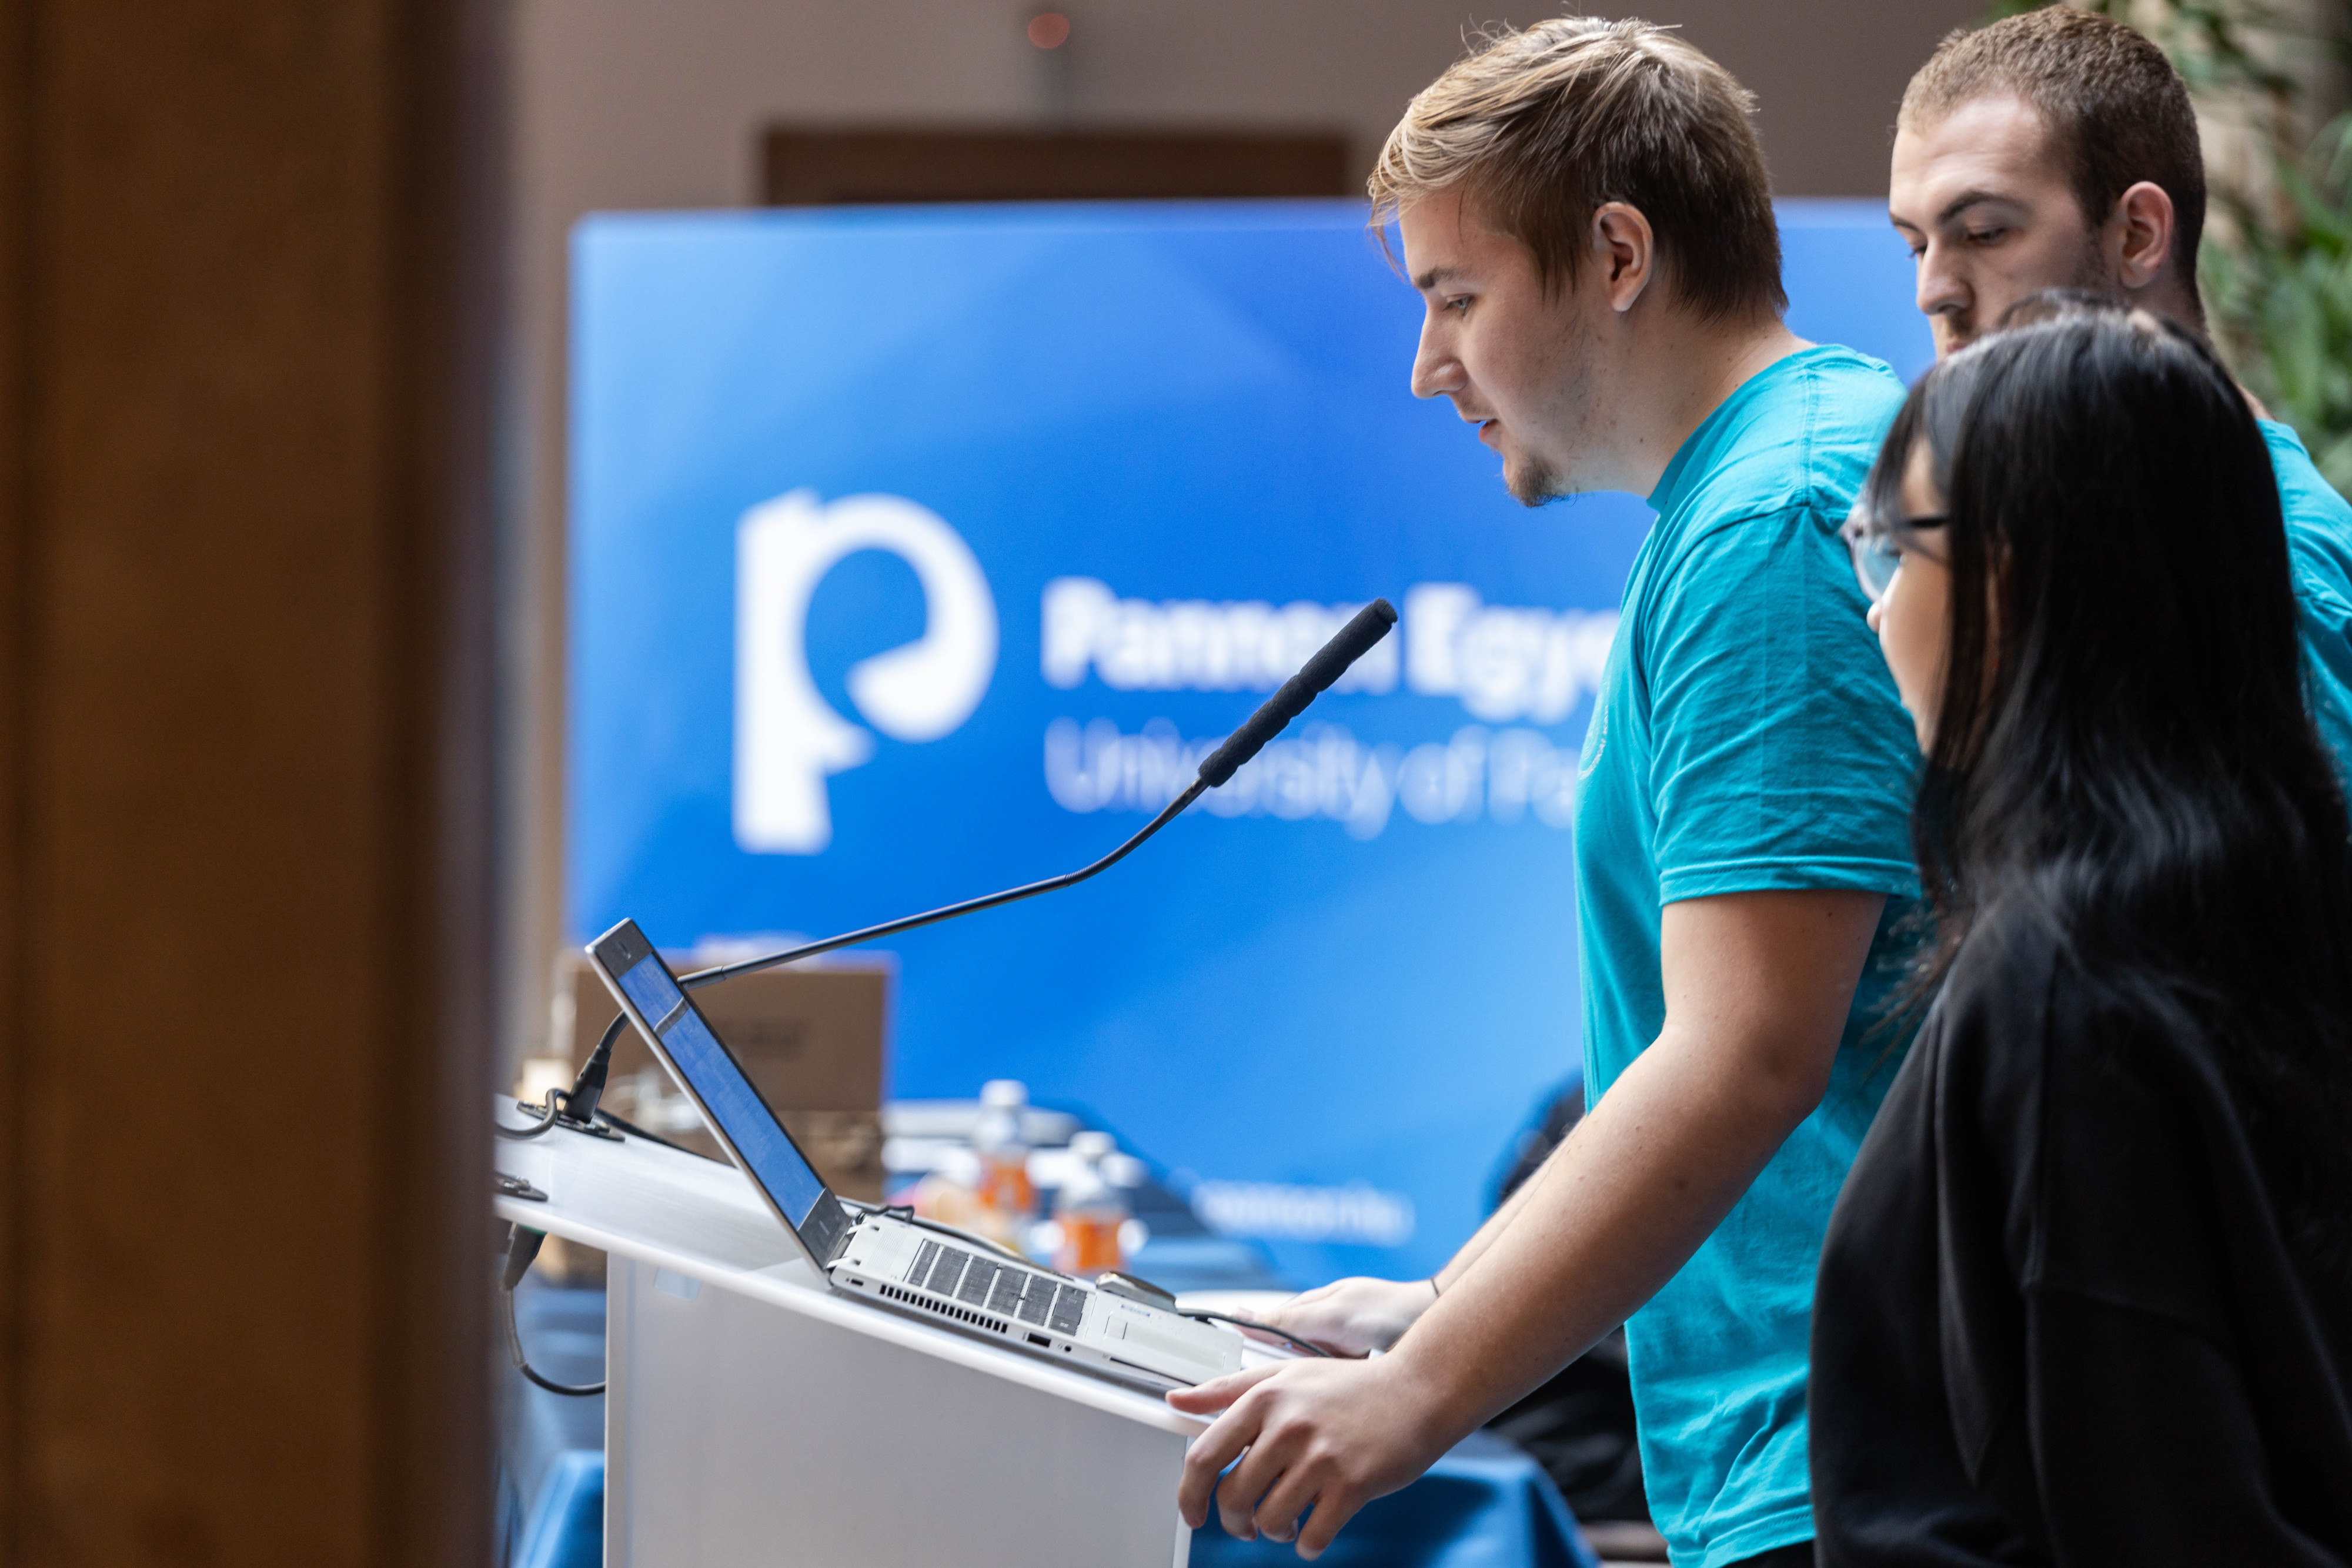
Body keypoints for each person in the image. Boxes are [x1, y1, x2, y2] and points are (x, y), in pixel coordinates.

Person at [1171, 21, 1921, 1566]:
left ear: (1618, 256)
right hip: (1822, 1442)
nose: (1425, 363)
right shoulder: (1759, 482)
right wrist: (1439, 1304)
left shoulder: (1770, 525)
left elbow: (1747, 1053)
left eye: (1457, 297)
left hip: (1844, 1458)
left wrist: (1420, 1391)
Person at [1811, 307, 2352, 1563]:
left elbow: (2142, 1495)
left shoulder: (2059, 987)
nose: (1875, 610)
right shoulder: (2276, 911)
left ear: (2006, 576)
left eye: (1891, 548)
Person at [1886, 4, 2352, 775]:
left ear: (2138, 234)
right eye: (1915, 245)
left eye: (1985, 232)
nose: (1933, 291)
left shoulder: (2280, 572)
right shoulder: (2065, 530)